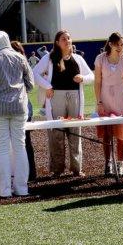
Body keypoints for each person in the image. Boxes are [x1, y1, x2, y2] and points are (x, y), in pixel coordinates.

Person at [0, 31, 34, 197]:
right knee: (20, 147)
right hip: (19, 107)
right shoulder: (20, 57)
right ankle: (22, 188)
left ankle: (3, 190)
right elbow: (30, 84)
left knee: (2, 149)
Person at [33, 30, 93, 177]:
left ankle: (76, 168)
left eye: (68, 38)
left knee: (75, 133)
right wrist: (47, 86)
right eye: (63, 39)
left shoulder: (78, 58)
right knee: (56, 134)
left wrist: (83, 78)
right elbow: (34, 73)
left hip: (75, 97)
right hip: (56, 98)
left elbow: (91, 75)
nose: (67, 41)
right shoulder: (49, 58)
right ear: (57, 42)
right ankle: (57, 169)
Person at [94, 32, 123, 176]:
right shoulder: (100, 59)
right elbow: (97, 82)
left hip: (120, 98)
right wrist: (98, 101)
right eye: (117, 44)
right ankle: (108, 163)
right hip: (105, 98)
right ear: (110, 44)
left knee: (121, 134)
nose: (119, 47)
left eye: (122, 44)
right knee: (106, 134)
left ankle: (120, 164)